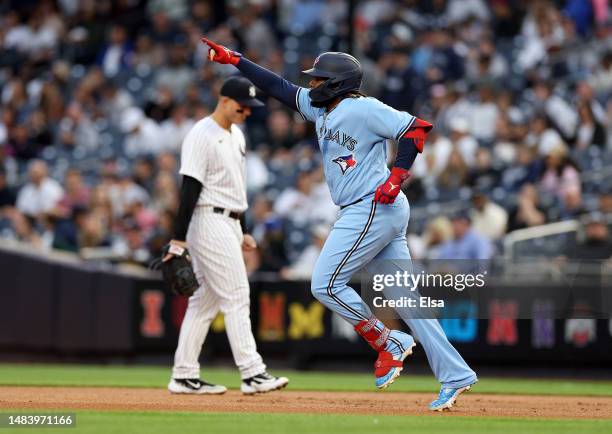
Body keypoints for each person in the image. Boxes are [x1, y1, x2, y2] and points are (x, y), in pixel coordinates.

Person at [201, 38, 477, 410]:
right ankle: (455, 374)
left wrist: (396, 178)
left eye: (318, 79)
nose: (311, 85)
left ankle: (388, 341)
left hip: (371, 207)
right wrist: (236, 60)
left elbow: (415, 128)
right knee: (406, 301)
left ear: (336, 83)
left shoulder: (362, 109)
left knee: (325, 284)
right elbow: (278, 87)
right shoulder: (322, 110)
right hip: (375, 210)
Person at [164, 77, 289, 395]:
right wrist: (178, 238)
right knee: (236, 295)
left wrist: (244, 228)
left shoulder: (237, 135)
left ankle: (183, 375)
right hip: (208, 219)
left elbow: (236, 185)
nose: (246, 112)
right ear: (223, 101)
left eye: (249, 108)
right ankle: (252, 372)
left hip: (230, 220)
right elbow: (189, 188)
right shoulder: (200, 134)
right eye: (241, 106)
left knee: (204, 302)